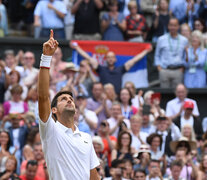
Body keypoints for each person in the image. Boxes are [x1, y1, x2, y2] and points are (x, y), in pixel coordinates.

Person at [37, 30, 100, 179]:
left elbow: (94, 176)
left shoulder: (86, 137)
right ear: (54, 110)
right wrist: (46, 57)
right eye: (63, 99)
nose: (69, 100)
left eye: (70, 98)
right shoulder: (50, 130)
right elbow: (43, 96)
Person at [70, 40, 152, 94]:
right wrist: (76, 47)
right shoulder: (101, 69)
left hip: (117, 97)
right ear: (105, 59)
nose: (110, 59)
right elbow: (88, 58)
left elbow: (134, 60)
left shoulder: (120, 69)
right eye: (108, 57)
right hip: (103, 98)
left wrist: (146, 51)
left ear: (115, 59)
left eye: (112, 57)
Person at [154, 18, 188, 88]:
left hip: (178, 70)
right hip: (164, 70)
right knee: (164, 95)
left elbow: (186, 56)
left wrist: (183, 68)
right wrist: (159, 68)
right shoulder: (161, 39)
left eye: (175, 25)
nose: (173, 27)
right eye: (171, 25)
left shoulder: (184, 40)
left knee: (177, 94)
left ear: (178, 26)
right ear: (168, 26)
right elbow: (157, 55)